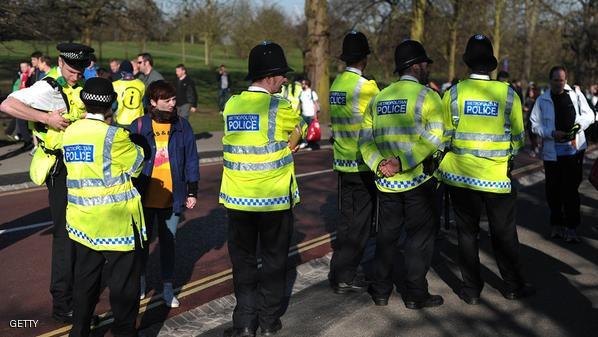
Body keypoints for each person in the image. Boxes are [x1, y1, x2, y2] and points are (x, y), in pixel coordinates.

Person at [0, 43, 93, 323]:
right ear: (61, 63)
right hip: (60, 169)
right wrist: (45, 118)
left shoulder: (82, 83)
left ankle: (80, 297)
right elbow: (7, 104)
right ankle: (62, 303)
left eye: (81, 70)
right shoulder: (47, 87)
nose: (77, 76)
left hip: (82, 166)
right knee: (65, 236)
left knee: (84, 232)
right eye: (73, 71)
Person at [437, 34, 534, 305]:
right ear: (491, 65)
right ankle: (513, 286)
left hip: (460, 177)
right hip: (496, 179)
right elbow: (518, 138)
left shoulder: (453, 93)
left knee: (466, 234)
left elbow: (444, 136)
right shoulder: (508, 95)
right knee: (503, 233)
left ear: (467, 63)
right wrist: (507, 156)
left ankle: (471, 290)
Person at [219, 41, 307, 337]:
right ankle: (269, 321)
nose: (285, 80)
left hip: (238, 198)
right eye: (282, 75)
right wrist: (290, 142)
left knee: (242, 262)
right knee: (274, 260)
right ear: (270, 77)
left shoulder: (231, 104)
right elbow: (300, 129)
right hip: (273, 199)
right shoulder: (279, 106)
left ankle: (244, 323)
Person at [359, 40, 445, 309]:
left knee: (386, 237)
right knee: (419, 239)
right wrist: (402, 163)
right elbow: (434, 137)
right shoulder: (428, 96)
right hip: (418, 181)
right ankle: (415, 294)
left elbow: (364, 140)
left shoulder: (379, 98)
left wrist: (379, 165)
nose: (427, 67)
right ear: (415, 66)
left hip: (386, 184)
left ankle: (381, 290)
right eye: (425, 63)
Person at [62, 77, 145, 337]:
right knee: (123, 289)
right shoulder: (114, 136)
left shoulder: (70, 132)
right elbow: (138, 165)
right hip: (116, 222)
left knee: (85, 281)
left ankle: (79, 331)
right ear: (111, 103)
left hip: (81, 221)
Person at [128, 80, 199, 308]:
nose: (172, 103)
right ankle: (140, 283)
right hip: (143, 197)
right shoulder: (138, 126)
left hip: (173, 197)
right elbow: (127, 160)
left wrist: (192, 190)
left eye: (173, 99)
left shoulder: (183, 126)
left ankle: (167, 288)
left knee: (168, 243)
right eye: (166, 99)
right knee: (141, 243)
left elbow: (191, 159)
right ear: (152, 102)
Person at [328, 31, 379, 294]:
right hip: (361, 162)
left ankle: (337, 271)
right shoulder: (366, 87)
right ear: (364, 58)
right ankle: (346, 275)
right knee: (360, 226)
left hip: (341, 161)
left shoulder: (337, 84)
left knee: (346, 222)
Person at [530, 66, 595, 243]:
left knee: (571, 190)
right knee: (553, 190)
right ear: (550, 81)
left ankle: (572, 227)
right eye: (556, 80)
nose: (559, 83)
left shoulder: (575, 94)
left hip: (574, 151)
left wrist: (577, 127)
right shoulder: (542, 100)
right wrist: (551, 133)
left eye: (562, 80)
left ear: (566, 80)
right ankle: (557, 225)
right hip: (552, 152)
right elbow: (534, 124)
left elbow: (590, 115)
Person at [112, 60, 146, 126]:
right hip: (138, 121)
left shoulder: (115, 85)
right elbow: (144, 105)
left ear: (121, 72)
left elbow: (113, 106)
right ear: (132, 71)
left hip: (121, 120)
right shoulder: (141, 84)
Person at [298, 78, 319, 149]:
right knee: (303, 129)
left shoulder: (312, 93)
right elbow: (300, 104)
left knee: (311, 130)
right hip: (303, 114)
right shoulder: (301, 93)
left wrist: (315, 114)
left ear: (308, 85)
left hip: (311, 115)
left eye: (304, 84)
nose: (303, 85)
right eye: (302, 84)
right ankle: (304, 142)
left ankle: (312, 145)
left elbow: (316, 104)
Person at [524, 83, 541, 156]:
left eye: (532, 91)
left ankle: (534, 148)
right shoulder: (528, 99)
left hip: (535, 120)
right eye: (529, 90)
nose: (530, 92)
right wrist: (525, 109)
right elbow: (526, 107)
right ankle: (535, 146)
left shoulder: (538, 99)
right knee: (530, 134)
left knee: (533, 134)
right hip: (528, 118)